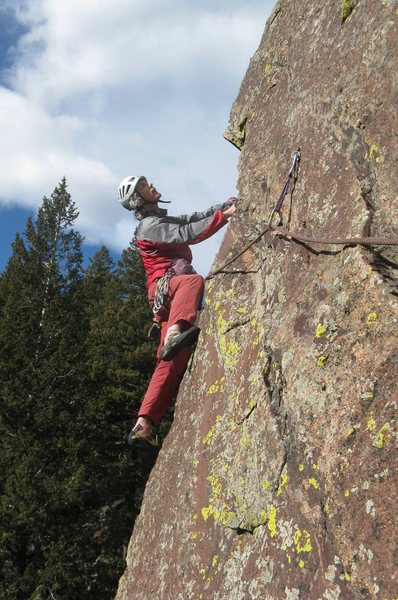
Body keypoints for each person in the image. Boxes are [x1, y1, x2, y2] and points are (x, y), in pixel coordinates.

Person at [117, 175, 237, 443]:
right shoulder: (149, 227)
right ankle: (174, 334)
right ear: (138, 198)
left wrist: (222, 206)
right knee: (193, 281)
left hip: (168, 294)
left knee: (172, 359)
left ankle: (144, 421)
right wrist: (225, 217)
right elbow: (187, 233)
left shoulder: (159, 219)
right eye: (145, 186)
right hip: (166, 288)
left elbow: (190, 219)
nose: (153, 186)